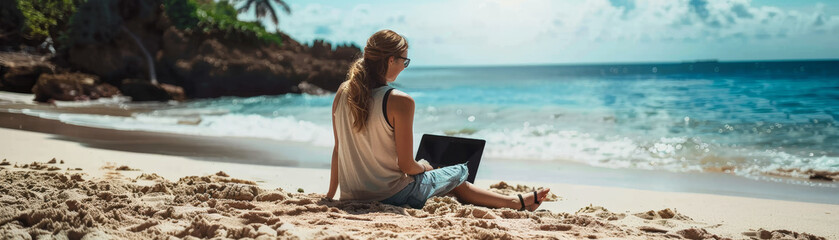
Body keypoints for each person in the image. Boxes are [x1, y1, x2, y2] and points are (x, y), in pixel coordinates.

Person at [325, 29, 550, 211]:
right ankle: (515, 202)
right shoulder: (399, 100)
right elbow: (406, 166)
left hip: (352, 195)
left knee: (445, 181)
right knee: (458, 171)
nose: (404, 66)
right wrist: (423, 166)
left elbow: (338, 150)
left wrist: (331, 195)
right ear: (391, 59)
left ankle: (514, 201)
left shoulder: (343, 92)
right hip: (391, 196)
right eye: (404, 60)